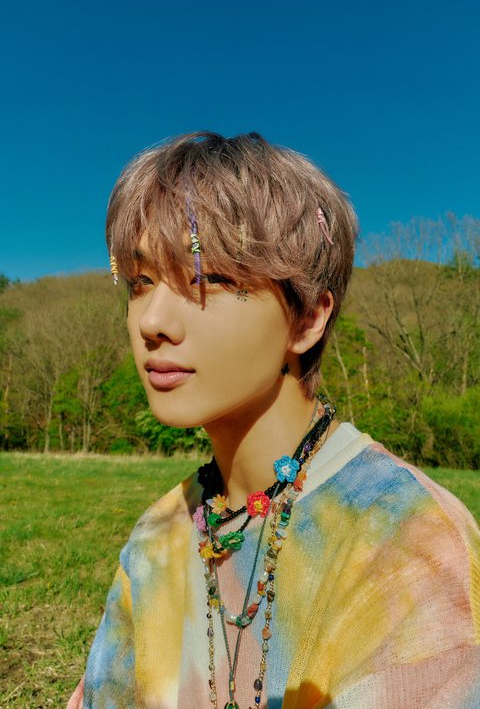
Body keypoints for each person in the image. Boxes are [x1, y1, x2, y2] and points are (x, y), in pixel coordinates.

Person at [68, 132, 480, 709]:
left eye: (208, 278)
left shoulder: (406, 540)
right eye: (140, 283)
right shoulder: (156, 539)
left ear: (307, 317)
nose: (151, 321)